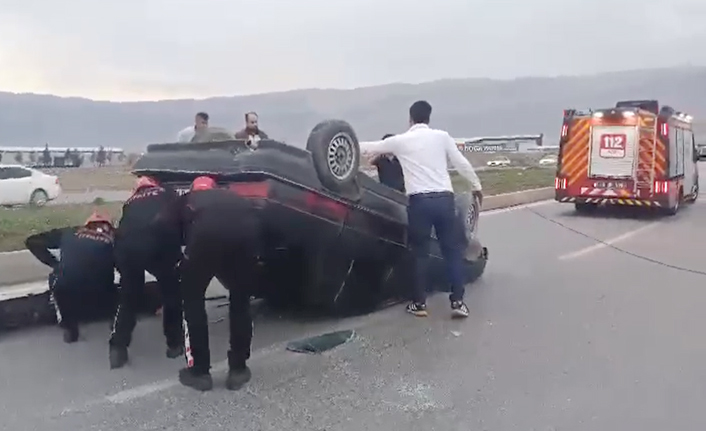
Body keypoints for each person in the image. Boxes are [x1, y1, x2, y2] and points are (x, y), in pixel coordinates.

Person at [359, 101, 483, 319]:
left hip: (420, 203)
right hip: (445, 200)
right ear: (428, 117)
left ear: (410, 118)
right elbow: (461, 163)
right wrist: (477, 186)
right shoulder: (442, 137)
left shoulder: (401, 141)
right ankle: (457, 302)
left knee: (420, 254)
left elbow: (368, 147)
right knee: (452, 252)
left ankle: (419, 303)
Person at [177, 176, 260, 392]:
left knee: (192, 300)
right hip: (246, 235)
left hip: (205, 237)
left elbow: (167, 228)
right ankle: (238, 370)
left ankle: (200, 372)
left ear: (193, 188)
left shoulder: (187, 199)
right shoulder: (235, 197)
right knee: (240, 301)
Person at [108, 176, 184, 369]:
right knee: (172, 293)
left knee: (128, 298)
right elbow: (179, 220)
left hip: (127, 249)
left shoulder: (130, 202)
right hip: (158, 245)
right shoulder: (167, 193)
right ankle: (174, 344)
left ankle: (118, 348)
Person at [25, 211, 117, 343]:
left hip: (67, 289)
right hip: (102, 290)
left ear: (86, 224)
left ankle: (69, 328)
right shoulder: (115, 238)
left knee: (56, 279)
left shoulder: (70, 232)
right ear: (110, 226)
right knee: (115, 285)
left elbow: (32, 241)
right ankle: (115, 321)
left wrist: (55, 264)